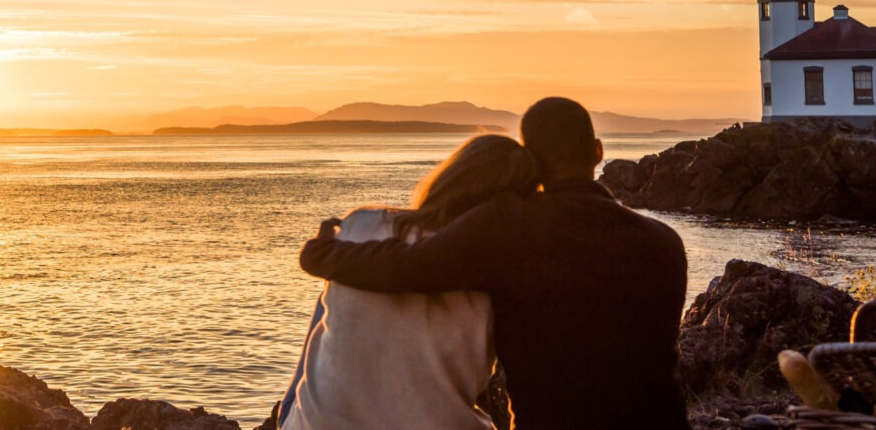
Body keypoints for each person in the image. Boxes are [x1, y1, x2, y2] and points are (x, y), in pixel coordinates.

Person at [300, 97, 690, 429]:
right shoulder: (664, 242)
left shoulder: (512, 224)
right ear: (598, 152)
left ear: (530, 162)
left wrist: (323, 255)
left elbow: (406, 266)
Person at [279, 134, 539, 430]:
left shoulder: (360, 223)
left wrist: (323, 249)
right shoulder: (498, 266)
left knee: (330, 303)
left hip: (316, 425)